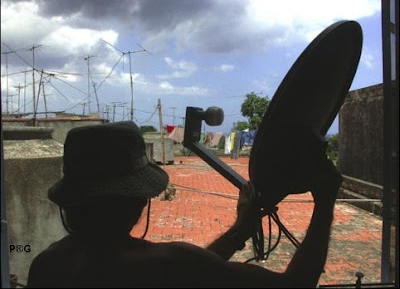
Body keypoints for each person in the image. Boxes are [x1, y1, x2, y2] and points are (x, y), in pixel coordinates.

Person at [27, 121, 342, 288]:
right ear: (139, 201)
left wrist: (239, 231)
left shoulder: (46, 266)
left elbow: (194, 272)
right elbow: (295, 285)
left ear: (71, 200)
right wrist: (326, 199)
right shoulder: (172, 263)